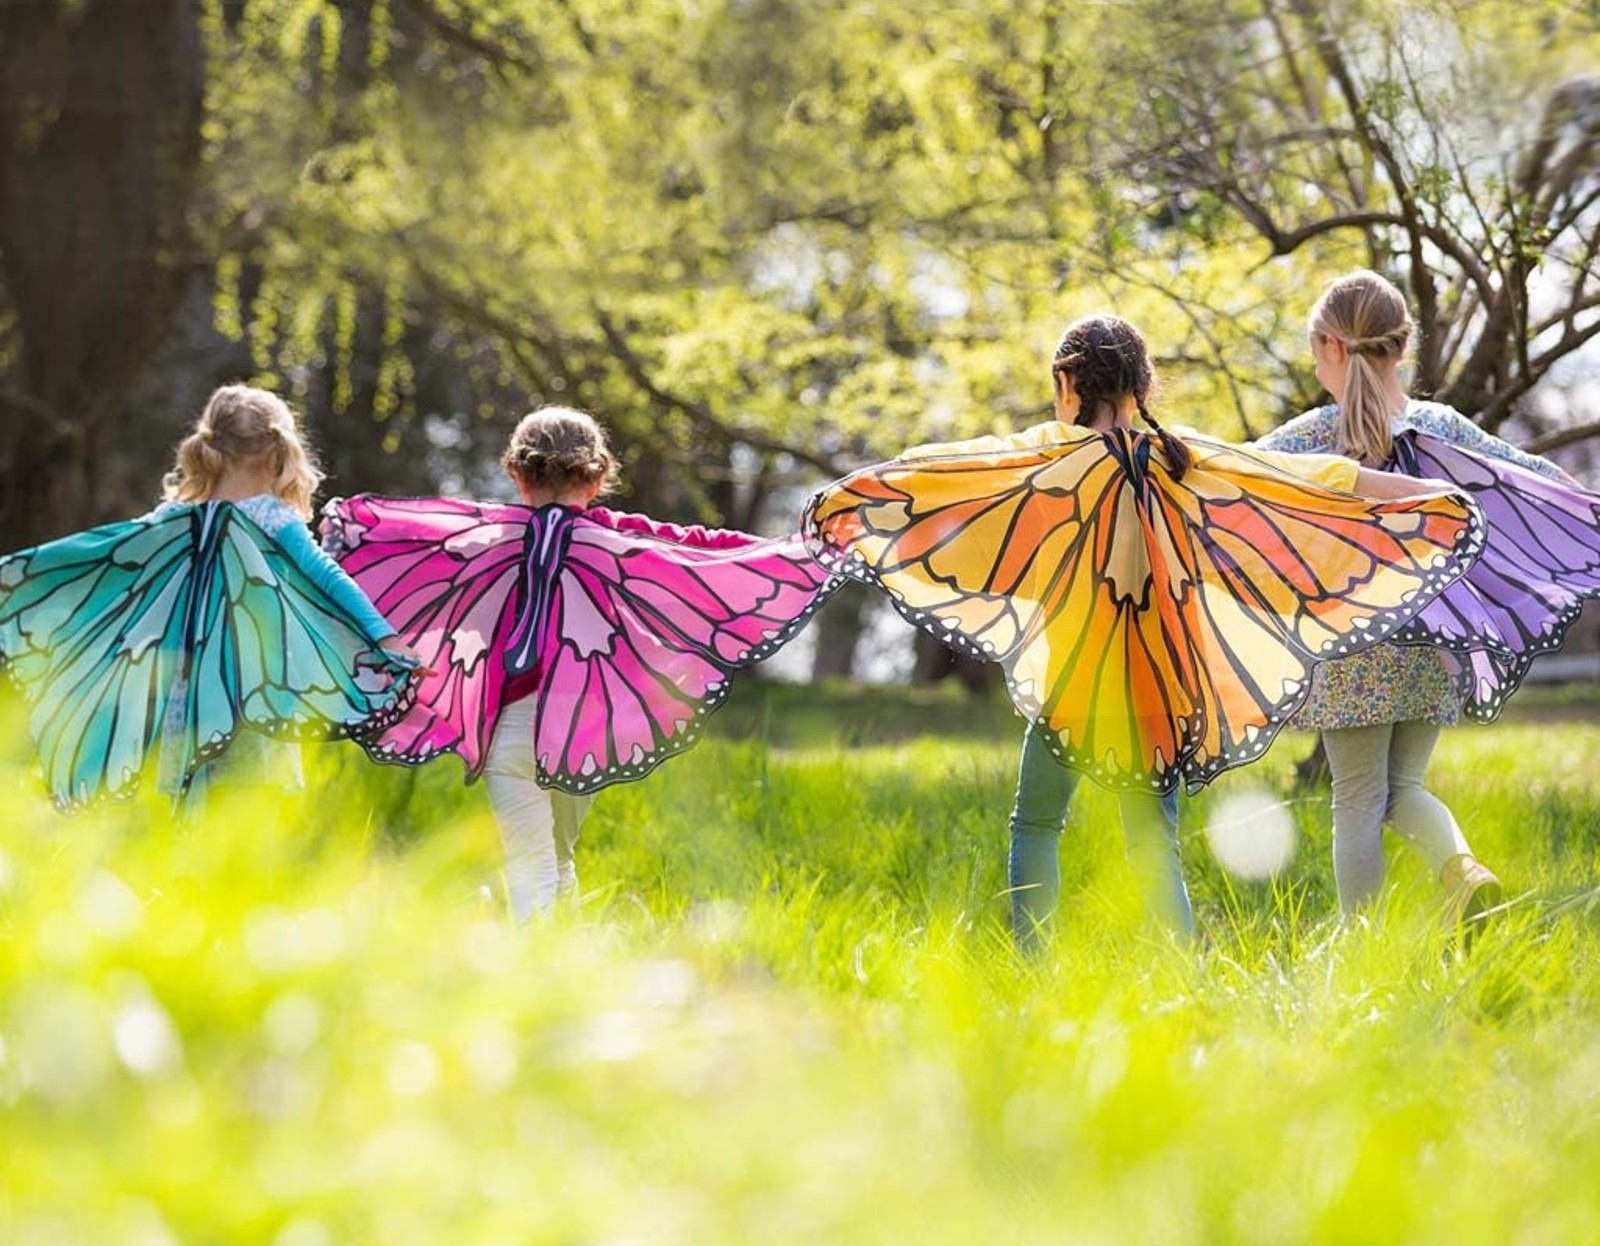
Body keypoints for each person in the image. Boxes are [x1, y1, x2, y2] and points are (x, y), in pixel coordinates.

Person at [803, 314, 1484, 954]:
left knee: (1036, 825)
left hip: (1075, 683)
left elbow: (949, 472)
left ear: (1066, 387)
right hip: (1160, 686)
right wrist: (1420, 499)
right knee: (1153, 844)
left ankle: (1031, 960)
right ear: (1146, 386)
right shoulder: (1182, 459)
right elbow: (1303, 481)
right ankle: (1179, 968)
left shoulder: (1047, 457)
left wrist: (852, 493)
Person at [322, 406, 837, 922]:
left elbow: (413, 536)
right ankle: (562, 959)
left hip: (513, 729)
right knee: (558, 856)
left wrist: (347, 525)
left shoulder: (486, 537)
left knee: (532, 861)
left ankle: (543, 965)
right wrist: (797, 551)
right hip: (585, 728)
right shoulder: (620, 540)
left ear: (516, 475)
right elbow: (705, 552)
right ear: (597, 478)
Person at [1257, 270, 1598, 925]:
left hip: (1349, 648)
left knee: (1357, 799)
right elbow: (1533, 478)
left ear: (1331, 346)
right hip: (1435, 642)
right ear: (1403, 346)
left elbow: (1230, 476)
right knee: (1401, 789)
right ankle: (1464, 872)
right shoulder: (1439, 426)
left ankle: (1367, 948)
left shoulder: (1307, 440)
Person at [0, 384, 418, 808]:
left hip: (181, 695)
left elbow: (98, 560)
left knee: (181, 806)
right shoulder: (272, 519)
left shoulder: (172, 519)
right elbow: (328, 577)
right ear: (278, 453)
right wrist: (386, 640)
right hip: (252, 692)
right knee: (248, 810)